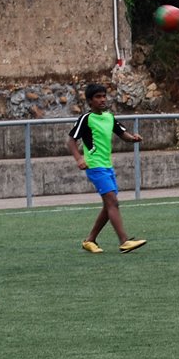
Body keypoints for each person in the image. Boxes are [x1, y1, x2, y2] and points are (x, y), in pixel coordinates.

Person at [67, 83, 147, 254]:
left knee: (108, 205)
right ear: (90, 101)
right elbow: (71, 140)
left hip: (107, 166)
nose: (102, 99)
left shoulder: (109, 117)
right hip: (94, 166)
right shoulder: (86, 118)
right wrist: (79, 158)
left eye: (104, 96)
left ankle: (90, 240)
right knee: (112, 202)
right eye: (98, 97)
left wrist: (133, 138)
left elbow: (122, 133)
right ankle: (124, 241)